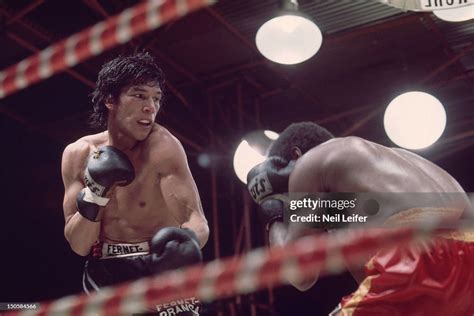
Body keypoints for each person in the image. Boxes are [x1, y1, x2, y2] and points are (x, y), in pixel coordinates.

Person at [247, 122, 473, 315]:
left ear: (296, 155)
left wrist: (273, 212)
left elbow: (299, 275)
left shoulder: (309, 163)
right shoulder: (403, 162)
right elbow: (368, 279)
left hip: (413, 258)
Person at [61, 53, 209, 315]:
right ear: (110, 100)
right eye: (139, 95)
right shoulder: (79, 154)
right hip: (105, 269)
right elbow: (79, 245)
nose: (151, 106)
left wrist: (183, 246)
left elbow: (196, 221)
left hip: (159, 264)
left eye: (156, 98)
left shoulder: (163, 147)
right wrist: (96, 193)